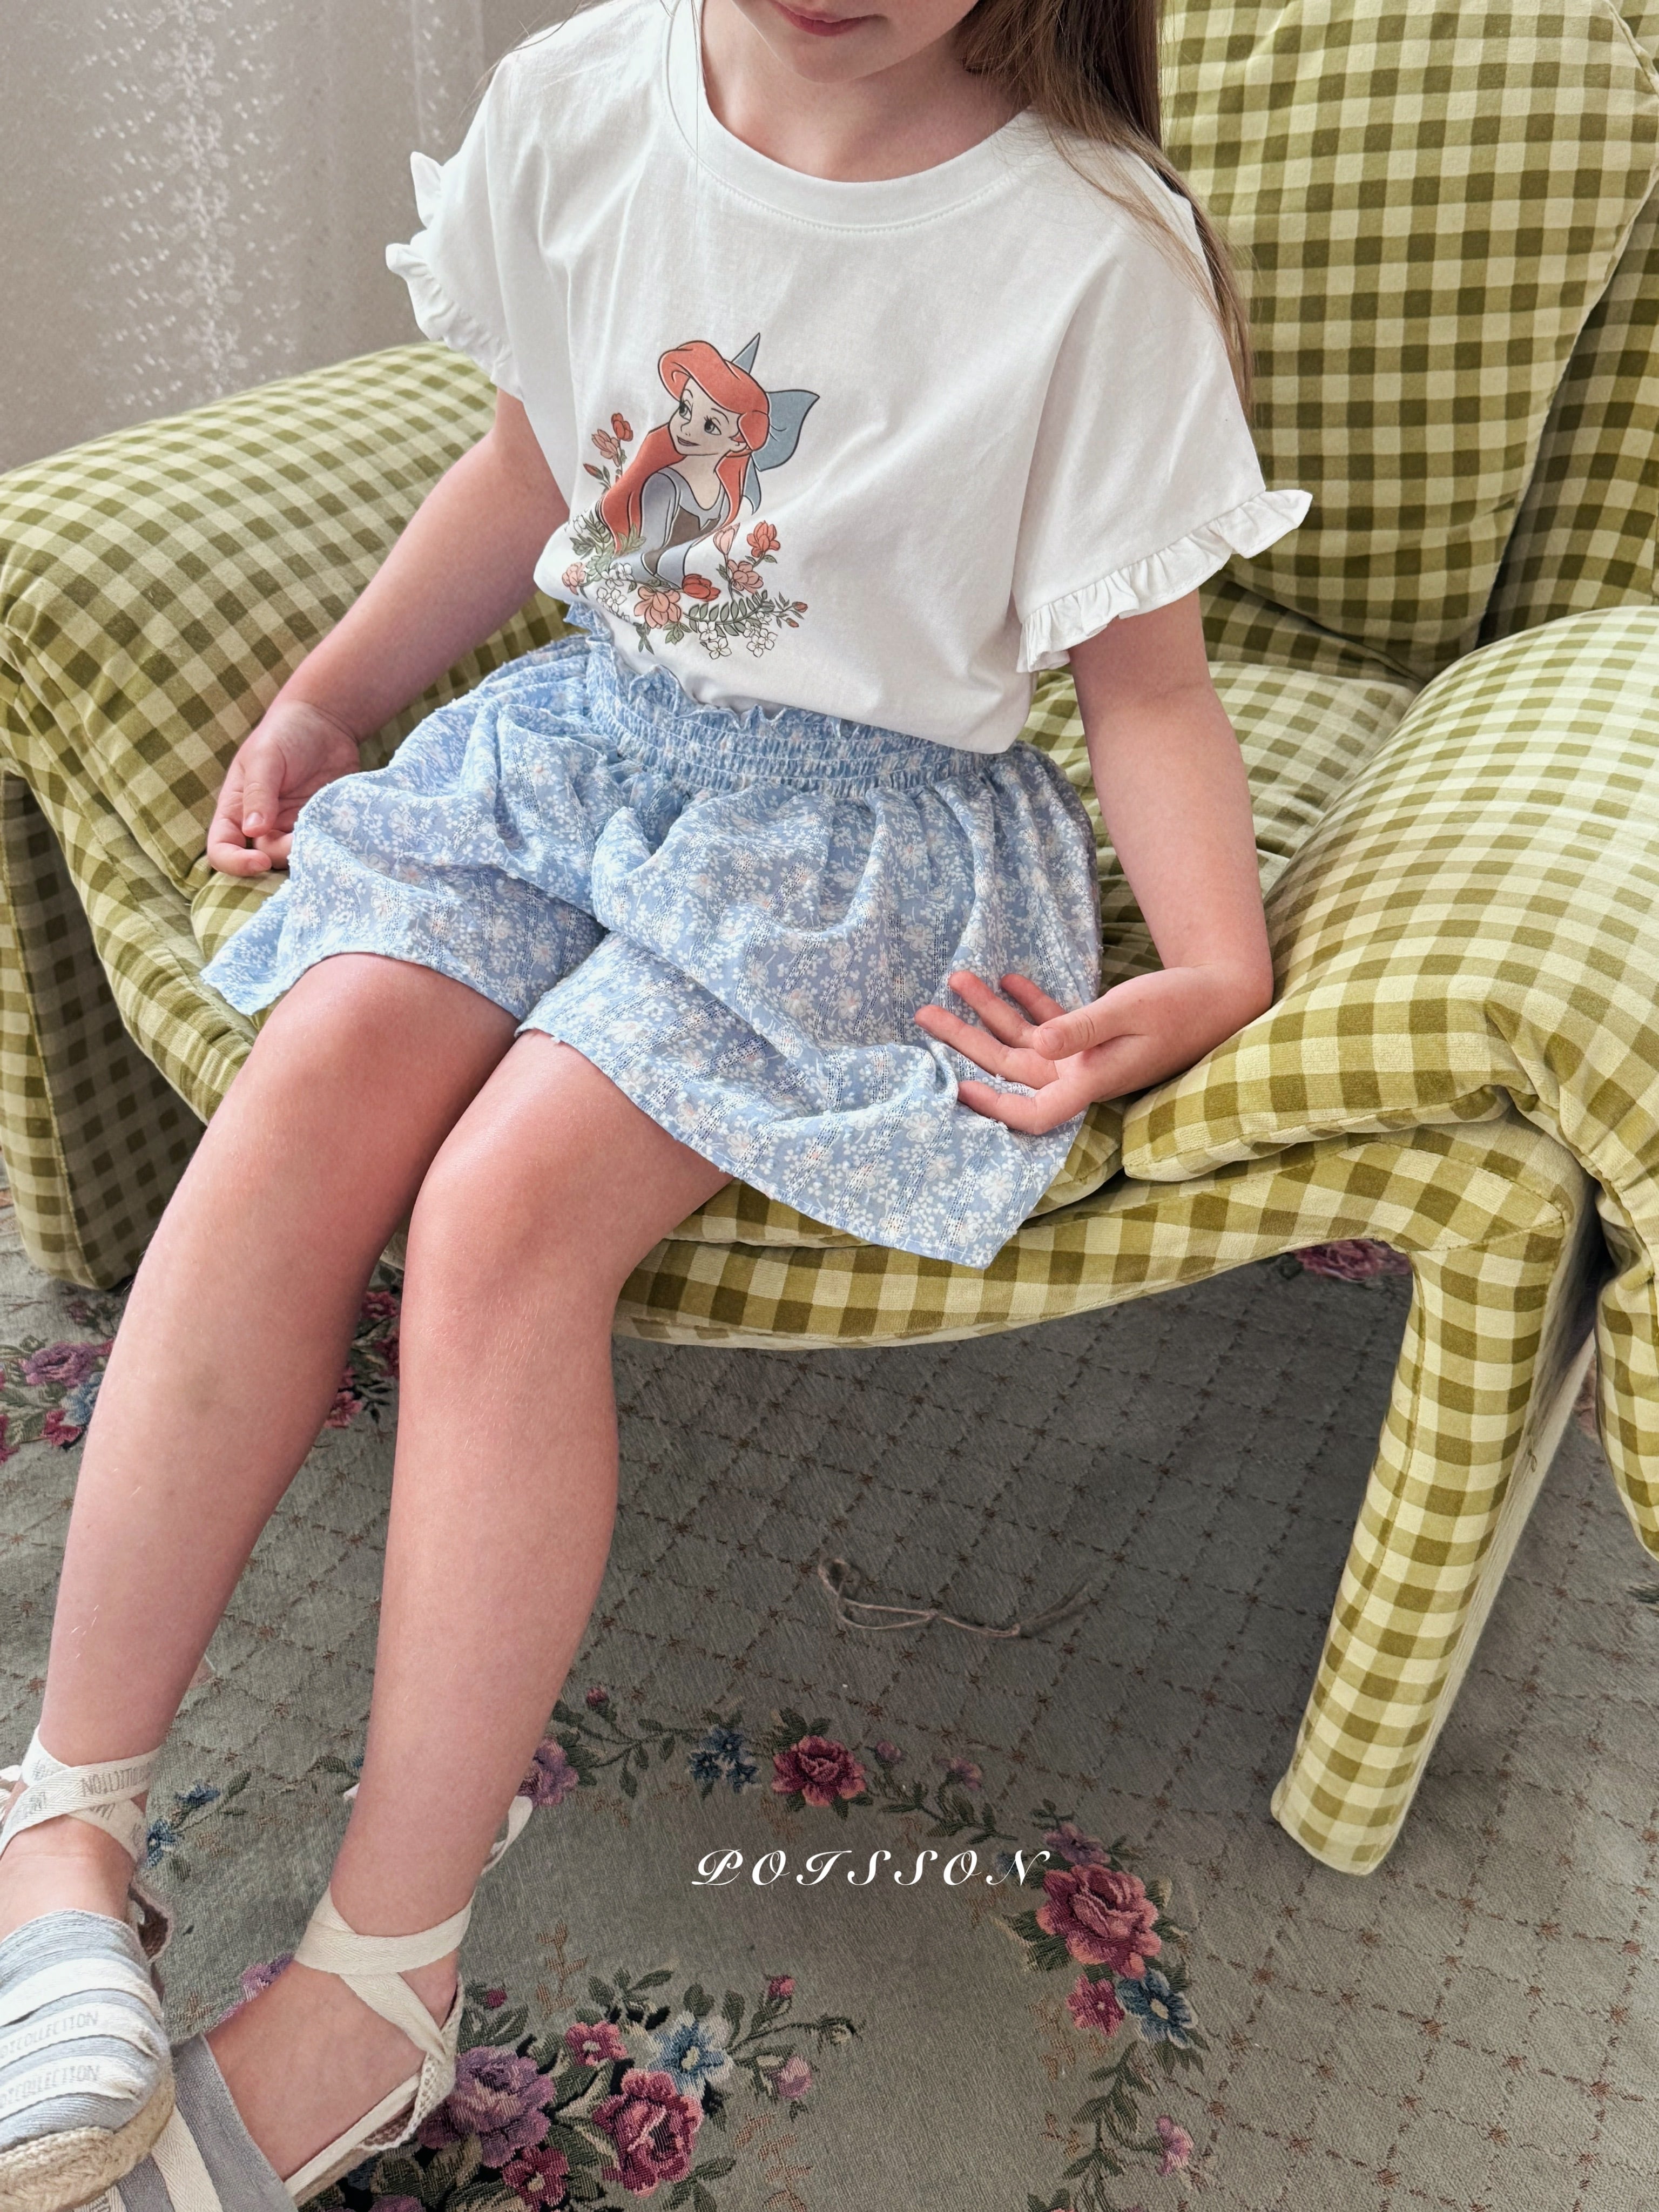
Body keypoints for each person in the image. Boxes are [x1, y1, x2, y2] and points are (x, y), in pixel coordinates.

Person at [0, 0, 1308, 2201]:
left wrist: (1217, 961)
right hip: (585, 743)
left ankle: (383, 1979)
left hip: (862, 843)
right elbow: (530, 467)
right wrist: (331, 695)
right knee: (313, 1082)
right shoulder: (578, 105)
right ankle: (63, 1813)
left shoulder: (1097, 249)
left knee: (502, 1213)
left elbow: (1147, 684)